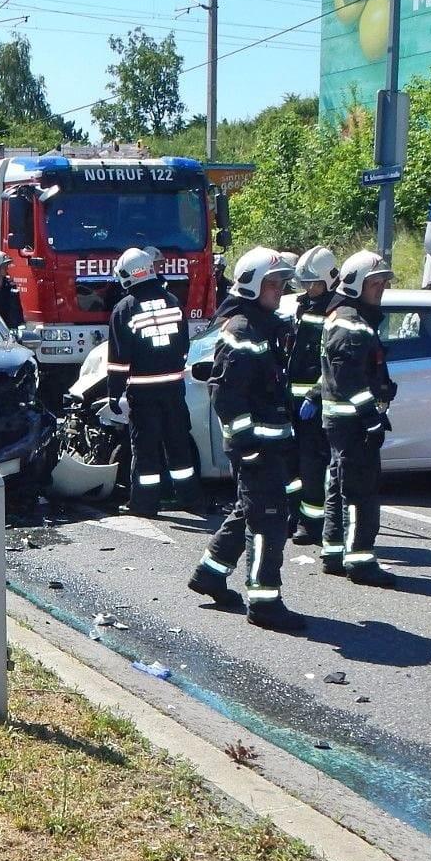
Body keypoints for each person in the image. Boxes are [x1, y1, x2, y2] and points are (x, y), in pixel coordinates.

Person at [188, 248, 305, 632]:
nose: (279, 289)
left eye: (282, 283)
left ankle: (210, 573)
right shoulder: (242, 330)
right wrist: (249, 446)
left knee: (249, 510)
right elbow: (227, 396)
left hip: (269, 445)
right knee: (268, 522)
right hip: (256, 448)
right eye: (273, 283)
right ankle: (264, 602)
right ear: (253, 285)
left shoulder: (263, 326)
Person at [320, 250, 399, 587]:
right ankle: (361, 561)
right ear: (355, 285)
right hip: (352, 422)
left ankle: (335, 552)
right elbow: (349, 378)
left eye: (383, 283)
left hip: (343, 420)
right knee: (360, 492)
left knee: (340, 485)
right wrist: (370, 416)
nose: (380, 289)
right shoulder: (352, 322)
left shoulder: (351, 316)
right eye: (374, 283)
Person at [106, 246, 202, 517]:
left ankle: (145, 505)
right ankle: (191, 499)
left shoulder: (125, 308)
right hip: (173, 388)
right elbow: (184, 344)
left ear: (126, 275)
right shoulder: (172, 300)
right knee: (178, 444)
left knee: (146, 450)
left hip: (143, 391)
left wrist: (115, 394)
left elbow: (118, 359)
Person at [286, 246, 340, 545]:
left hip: (315, 404)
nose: (309, 287)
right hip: (294, 401)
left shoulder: (335, 311)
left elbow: (331, 362)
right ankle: (294, 517)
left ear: (329, 280)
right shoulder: (304, 305)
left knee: (313, 465)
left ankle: (312, 524)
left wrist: (315, 394)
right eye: (305, 283)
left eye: (314, 282)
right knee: (292, 464)